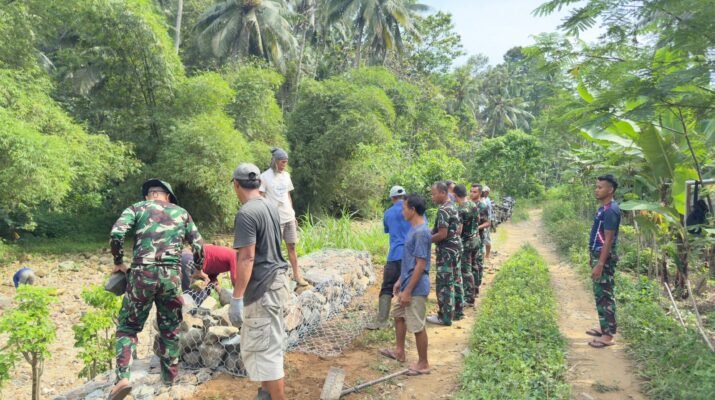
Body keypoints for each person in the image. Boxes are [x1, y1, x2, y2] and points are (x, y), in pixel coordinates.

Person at [108, 179, 204, 400]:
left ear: (148, 195)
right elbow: (199, 245)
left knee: (128, 328)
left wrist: (118, 261)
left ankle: (123, 379)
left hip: (141, 274)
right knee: (170, 327)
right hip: (171, 276)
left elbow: (117, 233)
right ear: (168, 197)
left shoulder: (137, 208)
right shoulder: (181, 212)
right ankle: (169, 381)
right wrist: (198, 269)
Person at [229, 163, 291, 400]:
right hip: (277, 281)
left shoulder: (246, 213)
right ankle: (265, 393)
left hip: (262, 288)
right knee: (269, 344)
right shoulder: (269, 206)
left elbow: (247, 257)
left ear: (236, 184)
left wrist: (237, 297)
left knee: (266, 352)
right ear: (258, 183)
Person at [379, 193, 431, 376]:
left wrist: (408, 290)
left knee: (417, 325)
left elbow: (421, 265)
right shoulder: (413, 229)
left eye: (404, 208)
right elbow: (410, 261)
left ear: (412, 210)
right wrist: (400, 281)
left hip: (416, 288)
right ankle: (399, 351)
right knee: (399, 315)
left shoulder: (421, 232)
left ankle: (423, 363)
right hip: (407, 283)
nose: (402, 212)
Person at [260, 148, 308, 287]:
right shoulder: (264, 177)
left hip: (288, 217)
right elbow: (261, 198)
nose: (284, 165)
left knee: (292, 246)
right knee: (275, 249)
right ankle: (274, 278)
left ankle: (297, 275)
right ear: (275, 161)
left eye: (286, 162)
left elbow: (288, 196)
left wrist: (293, 214)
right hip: (275, 219)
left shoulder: (286, 175)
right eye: (282, 162)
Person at [367, 185, 411, 330]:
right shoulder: (413, 210)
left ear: (392, 198)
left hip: (394, 255)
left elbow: (387, 230)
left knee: (387, 287)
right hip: (411, 254)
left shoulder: (388, 213)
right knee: (409, 285)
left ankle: (382, 321)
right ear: (405, 197)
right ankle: (409, 319)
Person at [586, 174, 621, 348]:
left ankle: (608, 336)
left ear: (610, 189)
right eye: (597, 187)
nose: (597, 190)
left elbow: (608, 240)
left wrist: (600, 264)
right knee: (600, 294)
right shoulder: (603, 209)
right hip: (598, 255)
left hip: (604, 258)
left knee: (606, 295)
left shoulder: (611, 211)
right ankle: (604, 328)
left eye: (600, 187)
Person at [427, 181, 463, 326]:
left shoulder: (443, 210)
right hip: (456, 248)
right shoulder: (453, 206)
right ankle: (457, 312)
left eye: (434, 194)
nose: (432, 197)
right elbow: (456, 229)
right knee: (456, 279)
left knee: (445, 284)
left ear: (443, 193)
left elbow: (442, 234)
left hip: (447, 251)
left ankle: (445, 317)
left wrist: (425, 241)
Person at [454, 184, 477, 305]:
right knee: (471, 267)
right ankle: (472, 293)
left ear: (455, 195)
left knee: (465, 270)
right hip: (474, 239)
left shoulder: (461, 209)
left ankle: (469, 297)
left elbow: (459, 230)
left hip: (466, 242)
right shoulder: (473, 205)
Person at [470, 184, 490, 296]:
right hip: (468, 238)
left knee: (477, 262)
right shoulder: (468, 204)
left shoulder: (482, 206)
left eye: (474, 192)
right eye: (471, 191)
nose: (472, 194)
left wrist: (477, 227)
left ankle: (476, 286)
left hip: (478, 238)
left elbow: (487, 223)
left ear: (480, 193)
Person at [482, 186, 494, 261]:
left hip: (486, 222)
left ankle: (487, 255)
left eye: (485, 192)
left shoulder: (487, 200)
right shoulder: (484, 199)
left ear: (488, 193)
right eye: (483, 191)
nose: (484, 193)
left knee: (486, 238)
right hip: (484, 222)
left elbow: (488, 213)